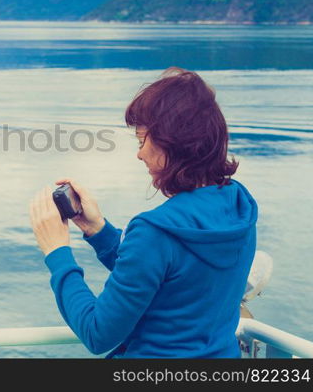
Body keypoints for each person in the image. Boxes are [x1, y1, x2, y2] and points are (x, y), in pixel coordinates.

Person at [29, 67, 257, 358]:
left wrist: (57, 252)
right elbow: (167, 278)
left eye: (141, 141)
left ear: (171, 141)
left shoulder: (155, 230)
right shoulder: (240, 207)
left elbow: (98, 333)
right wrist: (98, 231)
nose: (139, 154)